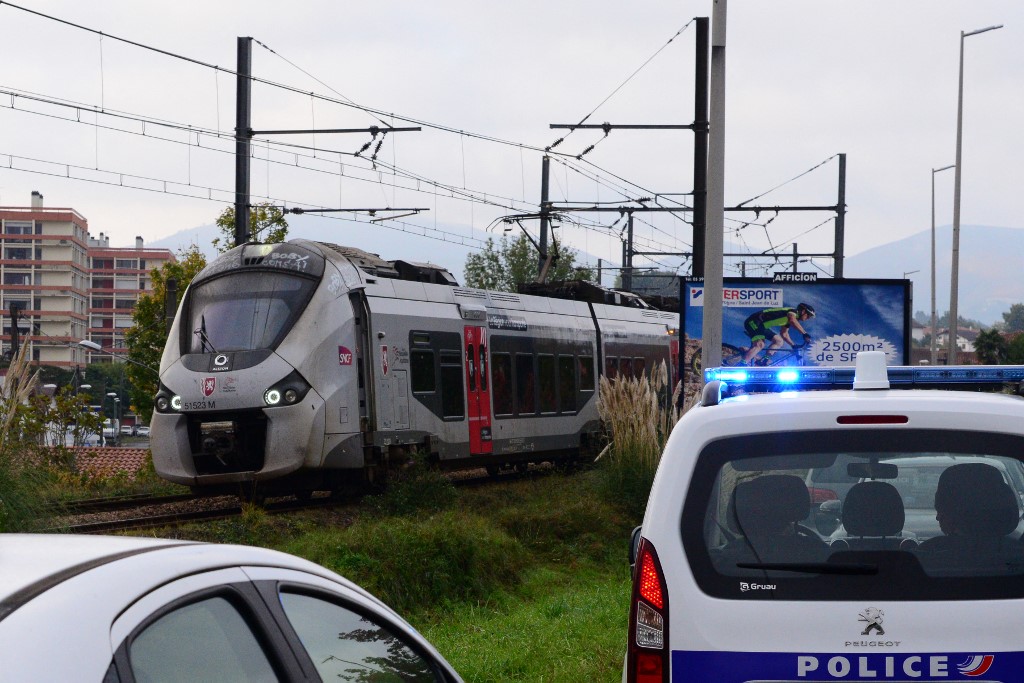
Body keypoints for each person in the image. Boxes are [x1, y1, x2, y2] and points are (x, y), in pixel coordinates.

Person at [741, 302, 815, 366]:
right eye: (808, 315)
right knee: (760, 344)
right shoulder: (793, 312)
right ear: (803, 311)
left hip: (761, 325)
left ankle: (763, 361)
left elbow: (784, 334)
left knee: (779, 341)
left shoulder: (788, 320)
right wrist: (804, 333)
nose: (808, 318)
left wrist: (793, 345)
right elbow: (793, 320)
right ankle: (742, 365)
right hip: (754, 321)